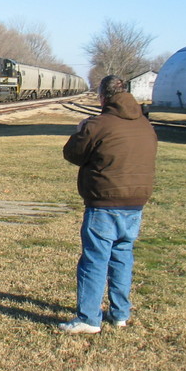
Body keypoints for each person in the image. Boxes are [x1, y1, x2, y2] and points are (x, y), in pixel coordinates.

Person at [59, 75, 158, 334]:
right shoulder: (146, 125)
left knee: (94, 260)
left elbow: (72, 154)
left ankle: (89, 319)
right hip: (136, 204)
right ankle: (120, 314)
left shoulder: (98, 124)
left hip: (104, 203)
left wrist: (81, 128)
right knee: (122, 256)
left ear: (103, 97)